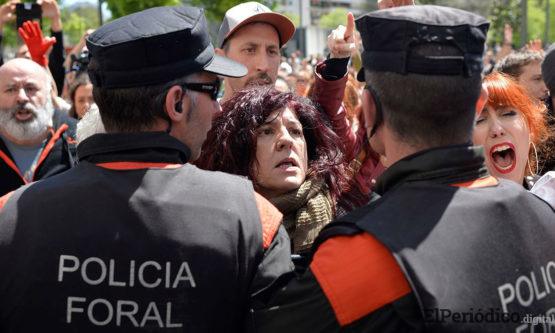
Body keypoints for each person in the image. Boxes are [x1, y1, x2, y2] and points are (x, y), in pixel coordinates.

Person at [252, 6, 555, 332]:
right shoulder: (540, 212)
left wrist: (254, 214)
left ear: (368, 111)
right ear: (479, 102)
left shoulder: (366, 252)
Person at [0, 6, 293, 332]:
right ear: (176, 103)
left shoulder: (11, 214)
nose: (218, 105)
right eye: (212, 90)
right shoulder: (252, 220)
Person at [197, 87, 362, 254]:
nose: (286, 140)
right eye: (267, 131)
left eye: (296, 131)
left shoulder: (347, 221)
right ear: (238, 149)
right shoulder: (217, 228)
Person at [0, 58, 75, 196]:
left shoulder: (77, 136)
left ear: (48, 93)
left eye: (30, 89)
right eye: (11, 89)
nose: (22, 98)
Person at [473, 72, 548, 188]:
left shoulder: (549, 195)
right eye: (480, 120)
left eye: (508, 113)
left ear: (531, 128)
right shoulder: (452, 205)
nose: (497, 130)